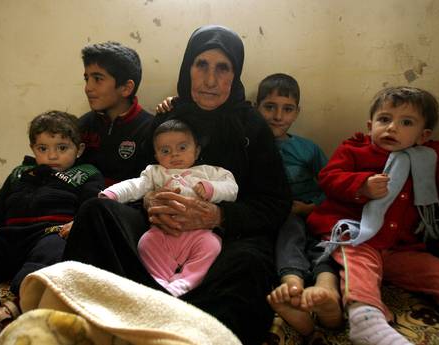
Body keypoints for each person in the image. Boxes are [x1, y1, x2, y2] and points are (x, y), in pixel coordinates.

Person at [63, 25, 291, 345]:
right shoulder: (170, 116)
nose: (210, 80)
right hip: (159, 233)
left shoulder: (251, 125)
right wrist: (149, 202)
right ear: (188, 69)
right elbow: (140, 177)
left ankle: (182, 329)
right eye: (202, 65)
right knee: (96, 212)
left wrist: (217, 217)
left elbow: (275, 202)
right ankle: (122, 315)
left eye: (222, 68)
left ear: (234, 74)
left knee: (250, 264)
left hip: (221, 240)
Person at [307, 86, 439, 345]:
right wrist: (361, 185)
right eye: (384, 119)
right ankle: (367, 321)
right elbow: (328, 178)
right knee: (358, 268)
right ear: (370, 124)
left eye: (406, 122)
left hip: (403, 248)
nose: (392, 128)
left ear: (423, 135)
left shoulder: (432, 161)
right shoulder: (354, 150)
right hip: (359, 237)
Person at [0, 110, 104, 339]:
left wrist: (78, 223)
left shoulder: (86, 173)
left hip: (50, 233)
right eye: (43, 148)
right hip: (8, 236)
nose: (52, 156)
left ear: (79, 149)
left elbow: (91, 207)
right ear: (33, 149)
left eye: (62, 148)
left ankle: (15, 304)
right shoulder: (19, 173)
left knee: (52, 254)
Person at [99, 119, 238, 296]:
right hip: (162, 231)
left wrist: (211, 189)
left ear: (196, 151)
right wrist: (111, 194)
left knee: (212, 246)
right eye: (165, 151)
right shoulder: (155, 173)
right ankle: (158, 282)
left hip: (199, 232)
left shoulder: (208, 172)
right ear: (157, 156)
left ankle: (185, 283)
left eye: (182, 148)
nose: (174, 155)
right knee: (146, 243)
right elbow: (135, 185)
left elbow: (231, 188)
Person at [256, 73, 342, 335]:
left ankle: (327, 292)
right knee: (290, 232)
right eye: (269, 107)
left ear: (296, 113)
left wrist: (311, 208)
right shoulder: (250, 147)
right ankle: (292, 287)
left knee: (327, 243)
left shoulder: (307, 149)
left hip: (315, 213)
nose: (278, 116)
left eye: (287, 109)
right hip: (282, 218)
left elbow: (332, 186)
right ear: (256, 108)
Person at [78, 41, 154, 187]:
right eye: (87, 79)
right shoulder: (82, 126)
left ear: (126, 88)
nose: (88, 88)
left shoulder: (150, 129)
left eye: (98, 79)